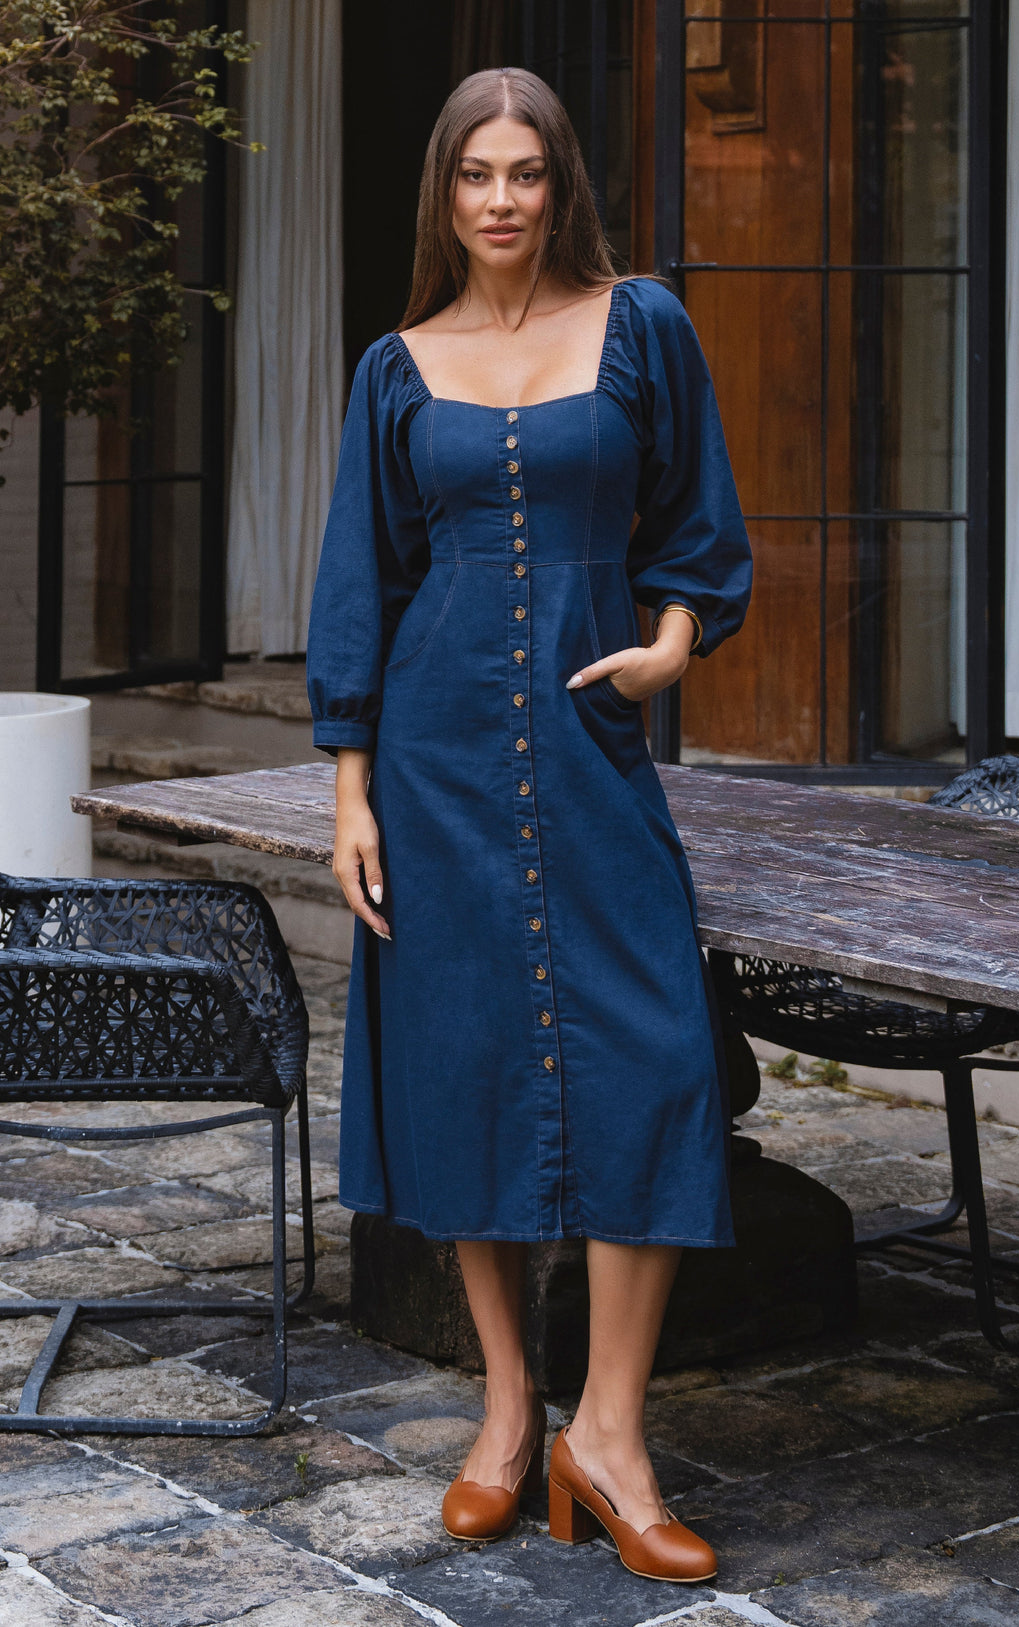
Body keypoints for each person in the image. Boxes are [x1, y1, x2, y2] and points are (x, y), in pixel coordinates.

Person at [306, 66, 752, 1585]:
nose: (501, 200)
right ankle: (508, 1412)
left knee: (660, 1053)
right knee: (461, 1058)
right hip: (428, 766)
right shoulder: (395, 366)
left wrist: (673, 646)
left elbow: (701, 524)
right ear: (443, 193)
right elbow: (360, 582)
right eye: (475, 175)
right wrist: (351, 791)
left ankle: (608, 1435)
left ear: (563, 185)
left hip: (588, 744)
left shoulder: (645, 327)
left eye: (528, 174)